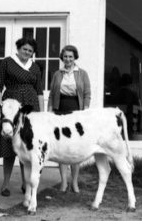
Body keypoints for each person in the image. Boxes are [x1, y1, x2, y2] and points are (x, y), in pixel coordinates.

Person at [0, 37, 44, 197]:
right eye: (25, 49)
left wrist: (41, 113)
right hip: (10, 107)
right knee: (9, 145)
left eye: (30, 51)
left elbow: (39, 91)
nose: (27, 53)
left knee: (27, 145)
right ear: (18, 48)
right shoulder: (7, 62)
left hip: (30, 107)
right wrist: (0, 107)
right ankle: (5, 184)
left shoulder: (35, 67)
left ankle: (25, 183)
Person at [48, 45, 91, 193]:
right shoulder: (57, 74)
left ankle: (75, 182)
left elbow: (87, 93)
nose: (68, 59)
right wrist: (49, 112)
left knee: (75, 146)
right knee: (61, 146)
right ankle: (64, 182)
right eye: (65, 56)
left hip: (76, 111)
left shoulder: (82, 74)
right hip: (60, 110)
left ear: (75, 58)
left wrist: (84, 112)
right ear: (62, 57)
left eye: (70, 56)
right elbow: (52, 94)